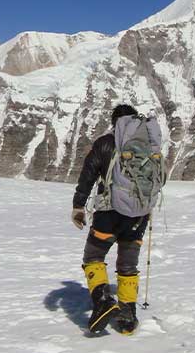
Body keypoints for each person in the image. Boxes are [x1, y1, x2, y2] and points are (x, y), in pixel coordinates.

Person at [71, 104, 149, 334]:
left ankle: (103, 300)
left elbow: (88, 175)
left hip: (109, 213)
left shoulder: (105, 143)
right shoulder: (147, 146)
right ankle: (127, 315)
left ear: (115, 122)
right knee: (128, 264)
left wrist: (78, 206)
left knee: (93, 255)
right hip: (139, 215)